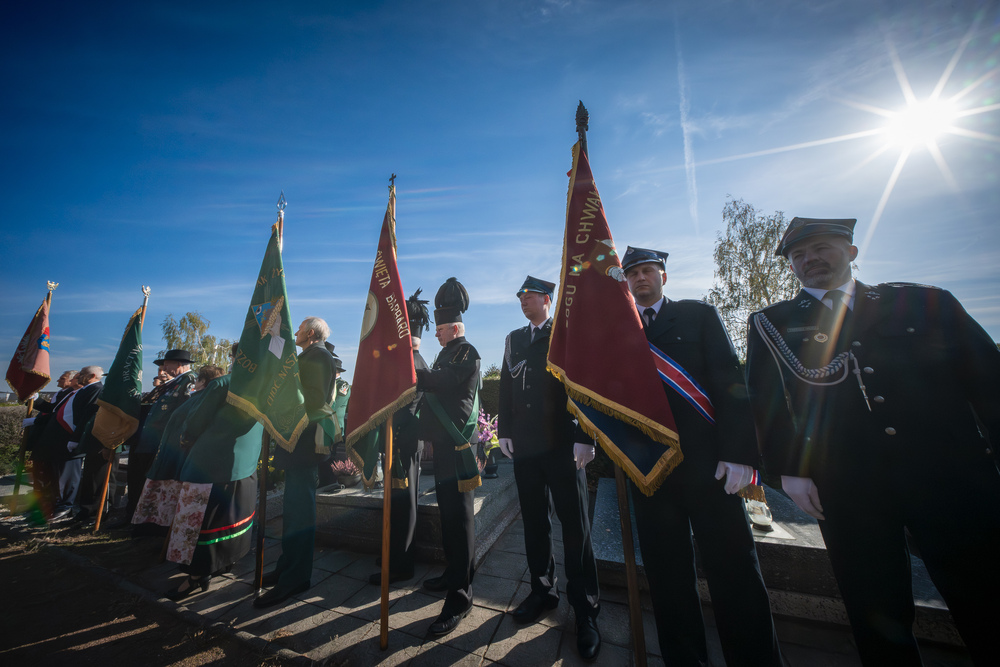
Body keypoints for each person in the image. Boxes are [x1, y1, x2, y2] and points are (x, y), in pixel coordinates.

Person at [746, 217, 1000, 665]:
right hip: (847, 486)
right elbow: (767, 403)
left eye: (821, 248)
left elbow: (987, 380)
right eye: (798, 255)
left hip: (950, 476)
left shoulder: (922, 302)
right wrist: (790, 470)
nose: (810, 259)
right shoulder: (773, 323)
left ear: (851, 251)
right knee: (875, 611)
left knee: (984, 595)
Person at [620, 246, 783, 666]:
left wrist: (740, 454)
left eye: (647, 270)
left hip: (710, 468)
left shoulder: (698, 315)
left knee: (735, 571)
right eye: (633, 273)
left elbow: (731, 381)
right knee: (667, 578)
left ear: (663, 276)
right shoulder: (618, 330)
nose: (640, 278)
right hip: (650, 472)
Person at [498, 275, 602, 660]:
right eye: (520, 297)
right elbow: (506, 388)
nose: (523, 301)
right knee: (534, 522)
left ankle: (585, 609)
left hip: (563, 444)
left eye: (529, 296)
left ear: (547, 298)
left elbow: (586, 385)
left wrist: (587, 436)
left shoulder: (566, 333)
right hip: (526, 447)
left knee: (575, 526)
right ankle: (543, 590)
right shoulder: (513, 339)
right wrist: (504, 431)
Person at [159, 357, 264, 600]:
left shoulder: (222, 383)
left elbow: (196, 420)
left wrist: (186, 438)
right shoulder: (266, 387)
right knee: (229, 521)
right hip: (244, 466)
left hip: (210, 465)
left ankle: (197, 576)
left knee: (202, 524)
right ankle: (223, 564)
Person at [255, 317, 339, 608]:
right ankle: (286, 567)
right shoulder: (308, 355)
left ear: (311, 333)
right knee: (292, 510)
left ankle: (297, 577)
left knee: (300, 511)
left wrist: (280, 401)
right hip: (295, 439)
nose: (297, 332)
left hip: (303, 441)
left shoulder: (319, 356)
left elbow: (313, 400)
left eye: (301, 328)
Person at [416, 278, 481, 637]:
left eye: (440, 329)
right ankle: (454, 572)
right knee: (448, 517)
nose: (436, 334)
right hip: (443, 447)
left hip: (457, 449)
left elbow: (439, 382)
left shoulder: (465, 352)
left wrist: (408, 368)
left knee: (460, 520)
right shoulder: (447, 352)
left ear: (455, 328)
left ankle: (460, 596)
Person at [369, 289, 431, 586]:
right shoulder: (411, 361)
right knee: (395, 502)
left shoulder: (413, 364)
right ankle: (392, 553)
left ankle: (402, 563)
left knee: (404, 504)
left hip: (404, 444)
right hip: (398, 442)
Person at [124, 349, 196, 525]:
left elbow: (186, 413)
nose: (164, 368)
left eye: (166, 364)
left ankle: (147, 522)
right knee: (138, 479)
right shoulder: (171, 384)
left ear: (178, 364)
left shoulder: (189, 381)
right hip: (147, 440)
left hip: (162, 441)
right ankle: (133, 517)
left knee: (152, 483)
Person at [36, 366, 104, 521]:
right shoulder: (79, 390)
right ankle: (57, 505)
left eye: (82, 374)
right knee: (58, 476)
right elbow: (56, 410)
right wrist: (36, 399)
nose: (78, 377)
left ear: (92, 376)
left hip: (71, 438)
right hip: (61, 438)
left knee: (67, 477)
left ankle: (65, 506)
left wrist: (76, 438)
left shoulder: (96, 389)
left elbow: (86, 416)